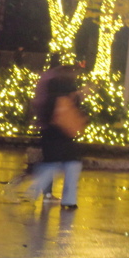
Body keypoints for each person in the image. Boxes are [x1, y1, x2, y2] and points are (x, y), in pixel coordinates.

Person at [29, 65, 88, 210]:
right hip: (62, 138)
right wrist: (80, 96)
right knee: (70, 165)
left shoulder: (49, 95)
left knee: (54, 164)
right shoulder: (66, 99)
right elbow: (75, 118)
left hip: (51, 136)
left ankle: (37, 190)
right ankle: (66, 199)